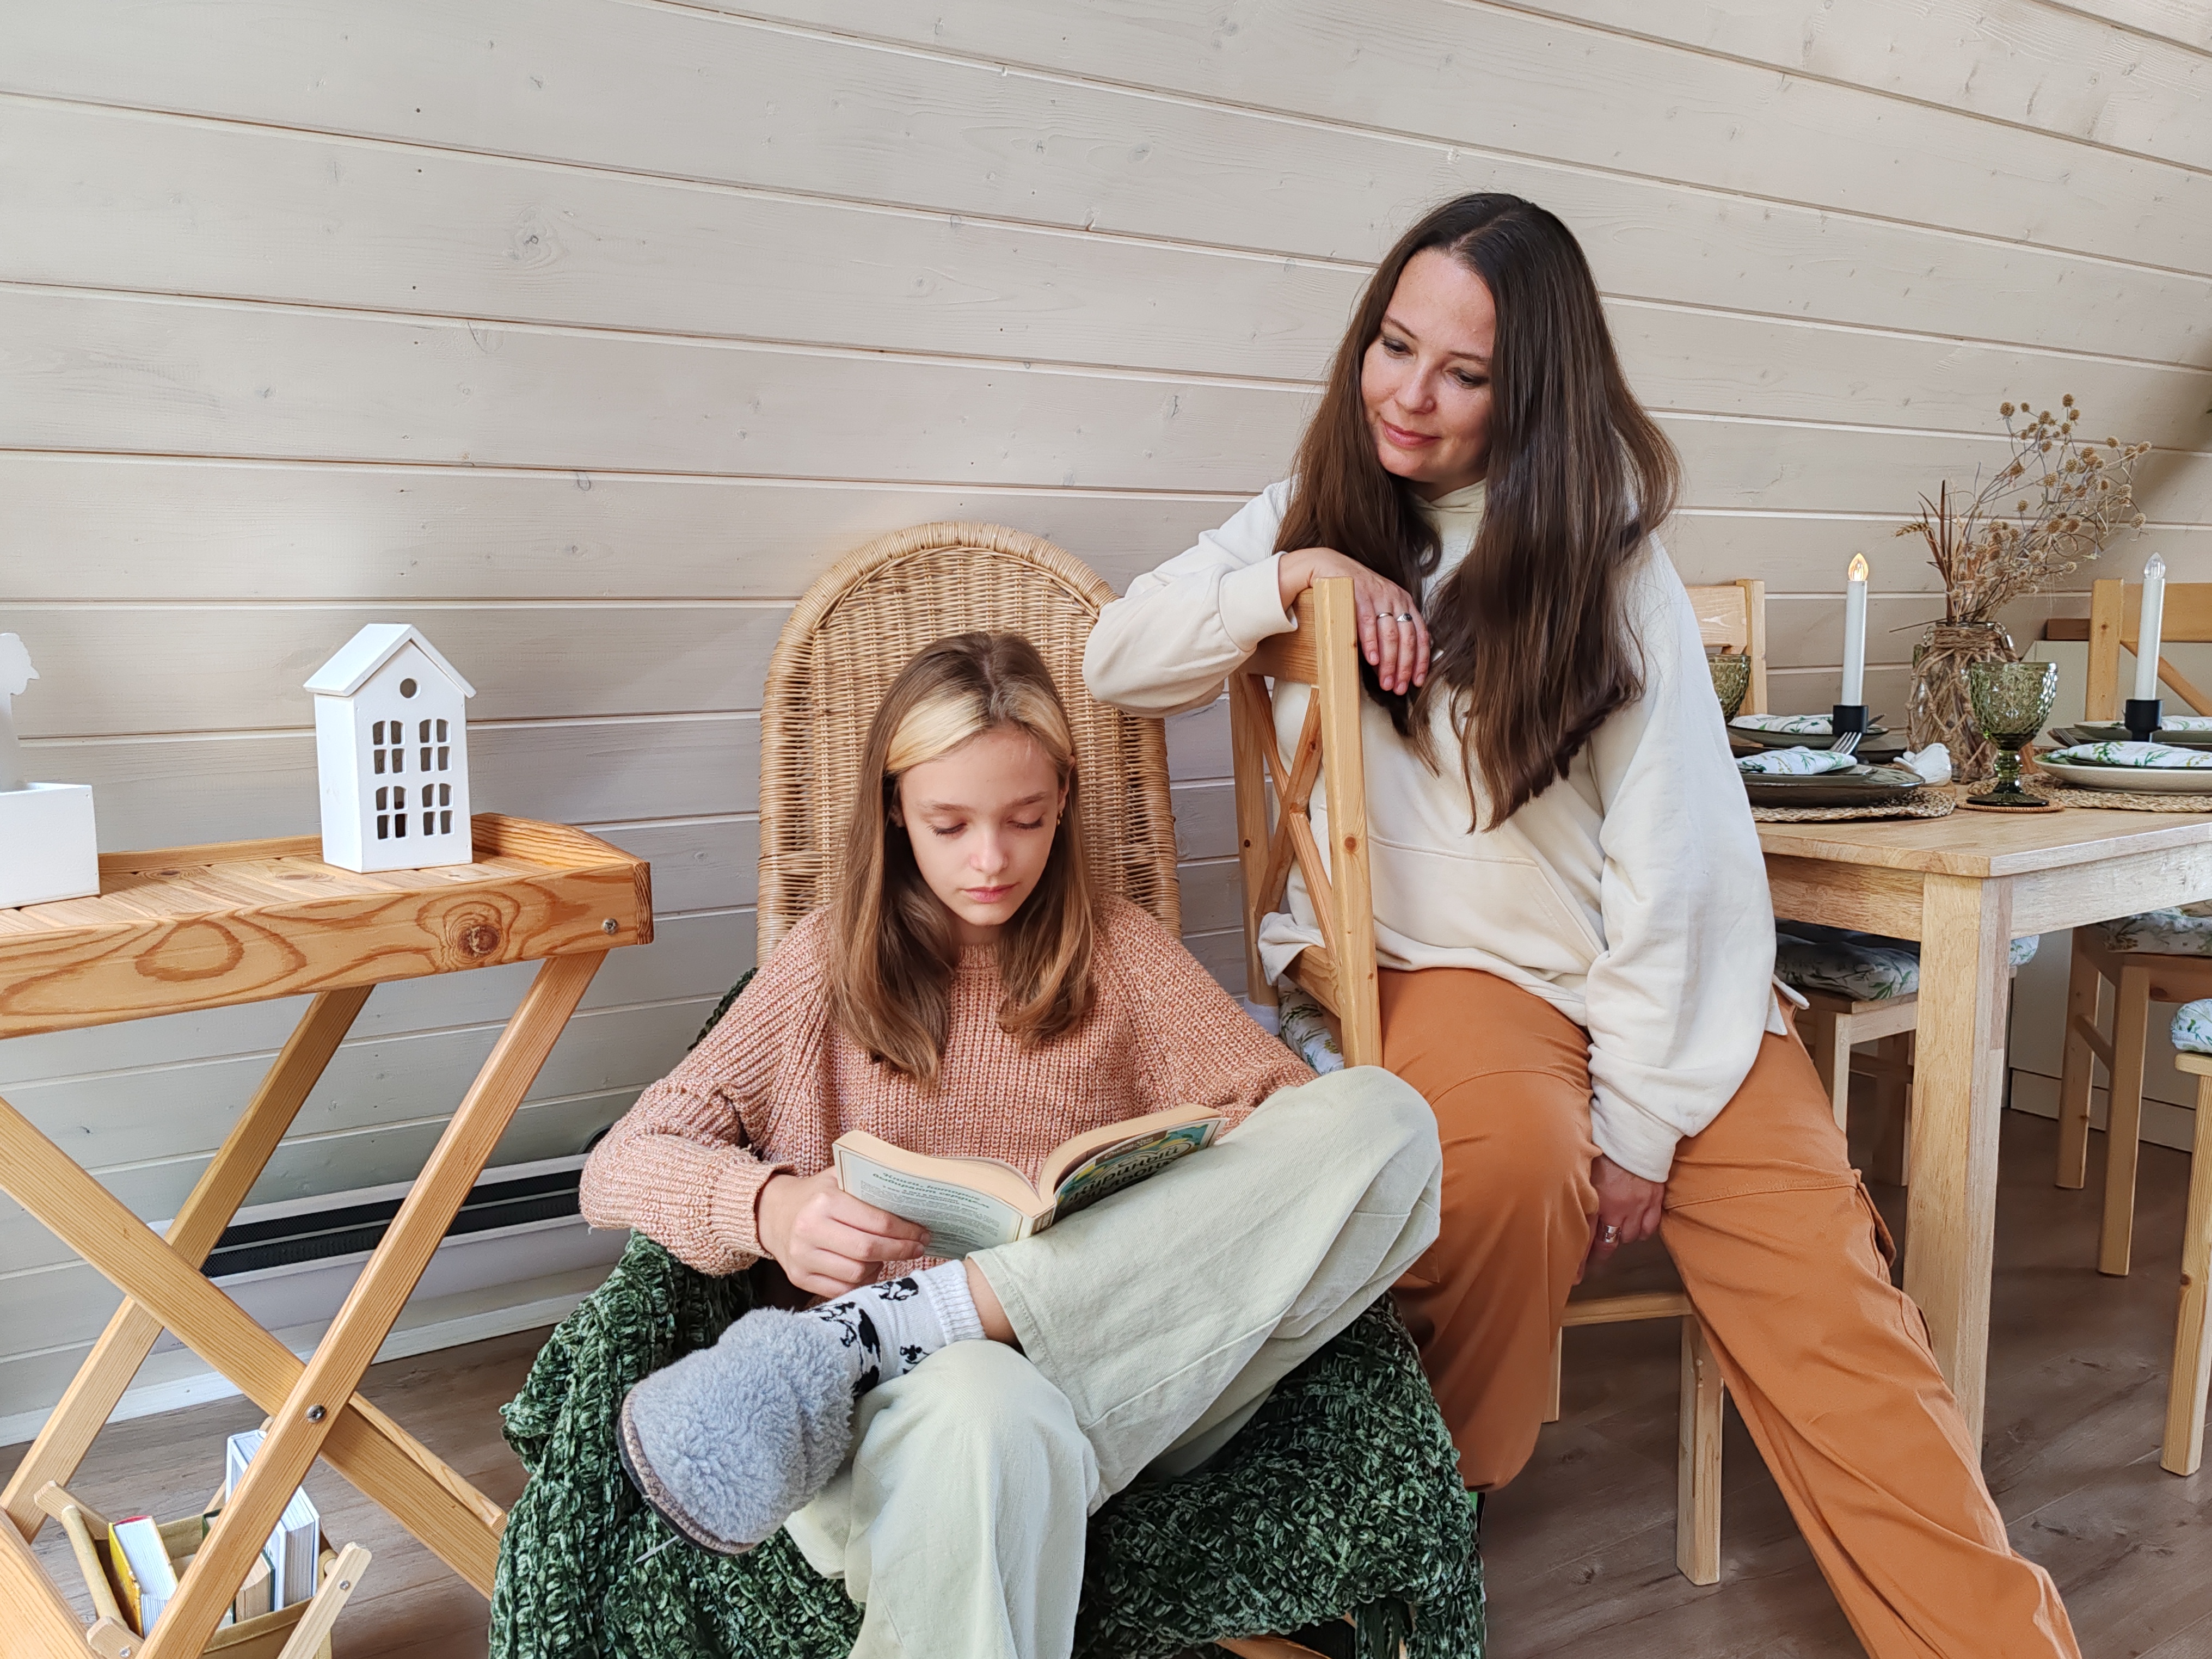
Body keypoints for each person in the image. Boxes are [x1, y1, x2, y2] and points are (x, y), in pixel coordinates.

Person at [1084, 193, 2078, 1657]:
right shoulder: (1309, 513)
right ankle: (1390, 1544)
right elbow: (1116, 658)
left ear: (1534, 391)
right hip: (1451, 974)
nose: (1408, 394)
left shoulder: (1607, 561)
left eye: (1464, 373)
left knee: (1835, 1306)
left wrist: (1643, 1123)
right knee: (1501, 1176)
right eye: (1392, 345)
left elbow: (1683, 861)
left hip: (1664, 989)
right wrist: (1290, 576)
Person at [581, 632, 1442, 1659]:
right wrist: (770, 1208)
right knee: (989, 1409)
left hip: (1136, 1373)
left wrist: (1180, 1187)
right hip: (899, 1421)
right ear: (894, 809)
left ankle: (909, 1319)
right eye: (949, 825)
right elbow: (620, 1163)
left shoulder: (1122, 955)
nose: (989, 860)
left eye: (1024, 820)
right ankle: (892, 1342)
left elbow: (1298, 1128)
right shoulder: (825, 969)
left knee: (1386, 1121)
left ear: (1063, 803)